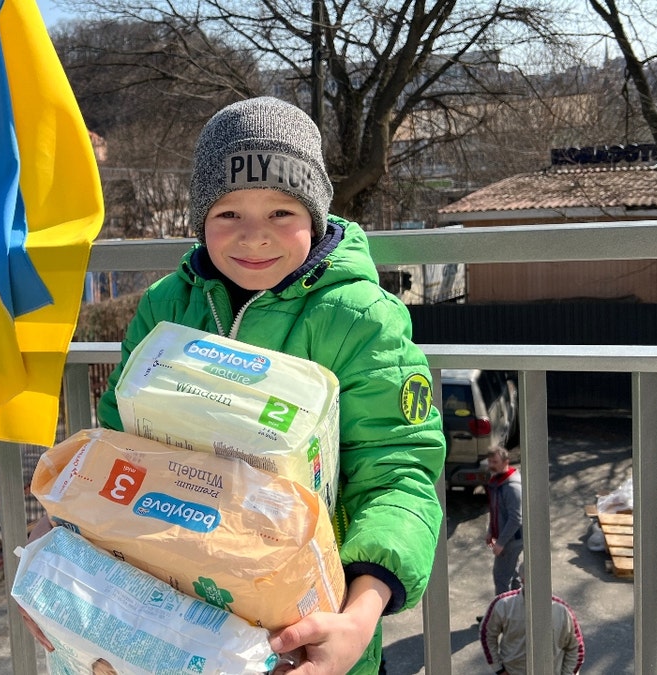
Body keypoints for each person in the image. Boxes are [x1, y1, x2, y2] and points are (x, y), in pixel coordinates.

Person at [78, 96, 446, 675]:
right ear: (200, 220)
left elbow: (398, 472)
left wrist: (359, 616)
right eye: (228, 215)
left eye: (281, 213)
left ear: (317, 215)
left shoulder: (362, 318)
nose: (254, 238)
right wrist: (70, 539)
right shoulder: (165, 306)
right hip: (171, 609)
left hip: (303, 625)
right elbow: (117, 442)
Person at [480, 587, 584, 675]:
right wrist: (499, 669)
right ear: (523, 579)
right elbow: (487, 634)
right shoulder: (503, 604)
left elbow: (576, 648)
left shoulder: (562, 611)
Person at [486, 445, 523, 594]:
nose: (491, 465)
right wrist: (490, 531)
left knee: (501, 577)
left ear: (506, 461)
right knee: (513, 575)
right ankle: (519, 609)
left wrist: (501, 543)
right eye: (489, 462)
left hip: (512, 540)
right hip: (507, 538)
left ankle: (501, 613)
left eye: (495, 462)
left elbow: (515, 519)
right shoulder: (498, 481)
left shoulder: (512, 487)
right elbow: (496, 510)